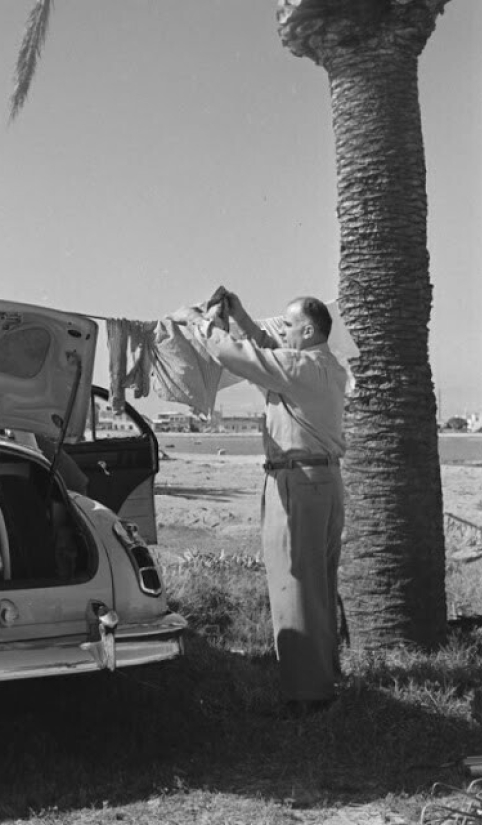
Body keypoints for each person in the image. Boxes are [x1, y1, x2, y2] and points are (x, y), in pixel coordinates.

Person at [173, 288, 347, 716]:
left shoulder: (300, 366)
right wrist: (244, 318)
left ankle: (307, 695)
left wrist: (198, 323)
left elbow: (240, 356)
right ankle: (323, 675)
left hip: (298, 483)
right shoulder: (324, 366)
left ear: (309, 331)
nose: (283, 332)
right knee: (318, 584)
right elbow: (270, 350)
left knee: (295, 583)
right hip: (323, 481)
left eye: (289, 326)